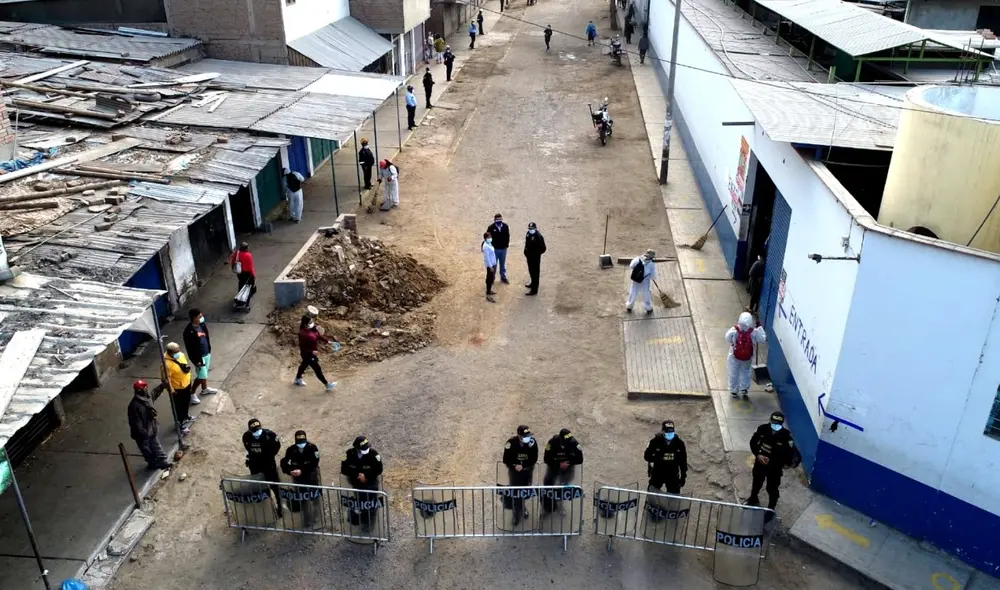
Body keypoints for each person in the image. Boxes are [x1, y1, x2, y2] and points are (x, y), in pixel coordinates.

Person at [747, 412, 801, 519]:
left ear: (782, 423)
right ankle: (753, 499)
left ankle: (771, 509)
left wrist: (789, 464)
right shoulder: (762, 429)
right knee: (756, 483)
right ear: (770, 421)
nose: (775, 426)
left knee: (772, 489)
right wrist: (758, 455)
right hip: (760, 464)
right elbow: (753, 442)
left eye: (778, 424)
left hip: (775, 469)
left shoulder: (786, 436)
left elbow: (794, 454)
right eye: (773, 423)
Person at [243, 418, 283, 517]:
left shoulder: (270, 435)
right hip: (255, 467)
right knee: (259, 489)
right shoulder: (247, 436)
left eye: (258, 430)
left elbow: (277, 447)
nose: (257, 433)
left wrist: (268, 456)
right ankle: (266, 510)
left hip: (269, 466)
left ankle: (281, 509)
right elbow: (248, 448)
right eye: (254, 431)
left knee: (275, 488)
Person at [128, 380, 172, 470]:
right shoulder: (134, 406)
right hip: (142, 434)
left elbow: (155, 392)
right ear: (140, 390)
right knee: (146, 450)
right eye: (145, 388)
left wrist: (162, 386)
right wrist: (143, 433)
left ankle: (162, 461)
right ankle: (153, 463)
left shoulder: (147, 397)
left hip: (151, 428)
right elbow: (136, 423)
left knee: (155, 445)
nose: (147, 389)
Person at [341, 436, 384, 529]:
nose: (366, 449)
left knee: (371, 506)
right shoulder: (349, 454)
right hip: (356, 484)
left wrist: (366, 477)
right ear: (357, 449)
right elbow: (344, 470)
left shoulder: (373, 454)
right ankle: (360, 523)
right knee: (359, 503)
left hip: (371, 485)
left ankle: (370, 526)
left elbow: (379, 470)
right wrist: (358, 475)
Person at [281, 430, 322, 525]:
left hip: (311, 477)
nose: (301, 445)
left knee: (315, 498)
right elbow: (284, 463)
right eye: (299, 443)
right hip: (298, 479)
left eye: (303, 442)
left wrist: (302, 471)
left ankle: (317, 517)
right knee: (303, 499)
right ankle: (307, 519)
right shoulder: (291, 450)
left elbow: (314, 463)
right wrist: (290, 471)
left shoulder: (312, 448)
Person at [503, 425, 538, 525]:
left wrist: (523, 465)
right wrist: (514, 466)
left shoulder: (532, 443)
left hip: (527, 471)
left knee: (525, 491)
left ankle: (522, 506)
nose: (527, 438)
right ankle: (516, 514)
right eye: (524, 436)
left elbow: (534, 458)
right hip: (515, 472)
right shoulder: (510, 443)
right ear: (518, 435)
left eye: (528, 435)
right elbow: (506, 459)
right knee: (515, 492)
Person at [726, 311, 766, 399]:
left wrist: (733, 343)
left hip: (734, 355)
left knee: (733, 372)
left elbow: (727, 337)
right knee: (745, 371)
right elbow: (763, 339)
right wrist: (759, 327)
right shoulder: (753, 332)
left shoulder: (735, 329)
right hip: (747, 357)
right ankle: (743, 388)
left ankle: (733, 390)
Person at [542, 428, 583, 513]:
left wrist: (568, 463)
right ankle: (548, 507)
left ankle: (560, 506)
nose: (569, 443)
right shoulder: (552, 442)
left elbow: (580, 460)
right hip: (554, 467)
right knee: (548, 485)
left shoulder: (573, 443)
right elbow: (546, 459)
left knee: (562, 487)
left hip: (567, 469)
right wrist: (559, 464)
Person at [182, 308, 217, 406]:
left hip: (206, 353)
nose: (202, 318)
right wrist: (195, 360)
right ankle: (192, 393)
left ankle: (204, 389)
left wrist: (209, 350)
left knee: (204, 373)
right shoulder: (188, 332)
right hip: (199, 357)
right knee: (202, 375)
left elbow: (206, 337)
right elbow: (190, 349)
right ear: (194, 318)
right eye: (199, 317)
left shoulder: (202, 325)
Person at [643, 420, 688, 493]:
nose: (670, 433)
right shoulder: (655, 442)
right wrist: (658, 459)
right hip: (658, 472)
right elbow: (646, 456)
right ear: (663, 431)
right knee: (652, 494)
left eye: (671, 431)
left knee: (674, 497)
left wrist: (683, 476)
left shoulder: (679, 444)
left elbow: (683, 461)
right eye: (667, 431)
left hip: (672, 474)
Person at [295, 314, 338, 391]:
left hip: (310, 354)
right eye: (310, 322)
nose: (312, 323)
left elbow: (318, 335)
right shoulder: (302, 334)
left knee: (304, 365)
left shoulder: (312, 328)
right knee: (317, 369)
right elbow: (303, 348)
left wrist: (328, 341)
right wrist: (312, 352)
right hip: (308, 355)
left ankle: (298, 379)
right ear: (305, 324)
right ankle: (327, 384)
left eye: (312, 321)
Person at [162, 342, 194, 434]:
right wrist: (171, 390)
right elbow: (165, 379)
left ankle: (185, 416)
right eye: (176, 351)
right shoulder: (166, 364)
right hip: (177, 389)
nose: (179, 352)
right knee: (178, 408)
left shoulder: (181, 355)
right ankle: (180, 425)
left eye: (178, 350)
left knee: (186, 402)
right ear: (170, 352)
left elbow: (185, 366)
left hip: (186, 384)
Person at [626, 249, 656, 314]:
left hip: (636, 279)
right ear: (651, 257)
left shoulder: (637, 259)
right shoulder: (651, 264)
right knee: (646, 293)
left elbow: (631, 266)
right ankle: (648, 308)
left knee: (633, 291)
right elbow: (653, 276)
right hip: (645, 281)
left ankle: (629, 306)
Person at [523, 222, 547, 296]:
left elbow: (543, 248)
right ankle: (532, 283)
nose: (531, 230)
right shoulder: (528, 234)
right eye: (530, 228)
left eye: (532, 228)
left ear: (535, 228)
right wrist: (525, 251)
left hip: (535, 259)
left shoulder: (538, 236)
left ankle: (534, 290)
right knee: (531, 271)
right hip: (529, 257)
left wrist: (536, 255)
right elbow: (526, 243)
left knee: (535, 274)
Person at [487, 213, 510, 284]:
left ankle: (503, 277)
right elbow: (487, 237)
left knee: (502, 264)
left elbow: (508, 236)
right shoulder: (491, 227)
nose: (499, 220)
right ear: (494, 220)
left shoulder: (505, 226)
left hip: (503, 249)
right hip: (495, 250)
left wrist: (506, 245)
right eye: (497, 219)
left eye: (500, 219)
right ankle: (492, 278)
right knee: (494, 264)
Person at [482, 231, 498, 303]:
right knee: (489, 278)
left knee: (491, 278)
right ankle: (488, 292)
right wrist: (490, 266)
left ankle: (489, 290)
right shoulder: (485, 246)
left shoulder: (489, 243)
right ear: (485, 238)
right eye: (488, 237)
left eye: (490, 237)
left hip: (493, 263)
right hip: (490, 265)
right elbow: (487, 258)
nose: (490, 238)